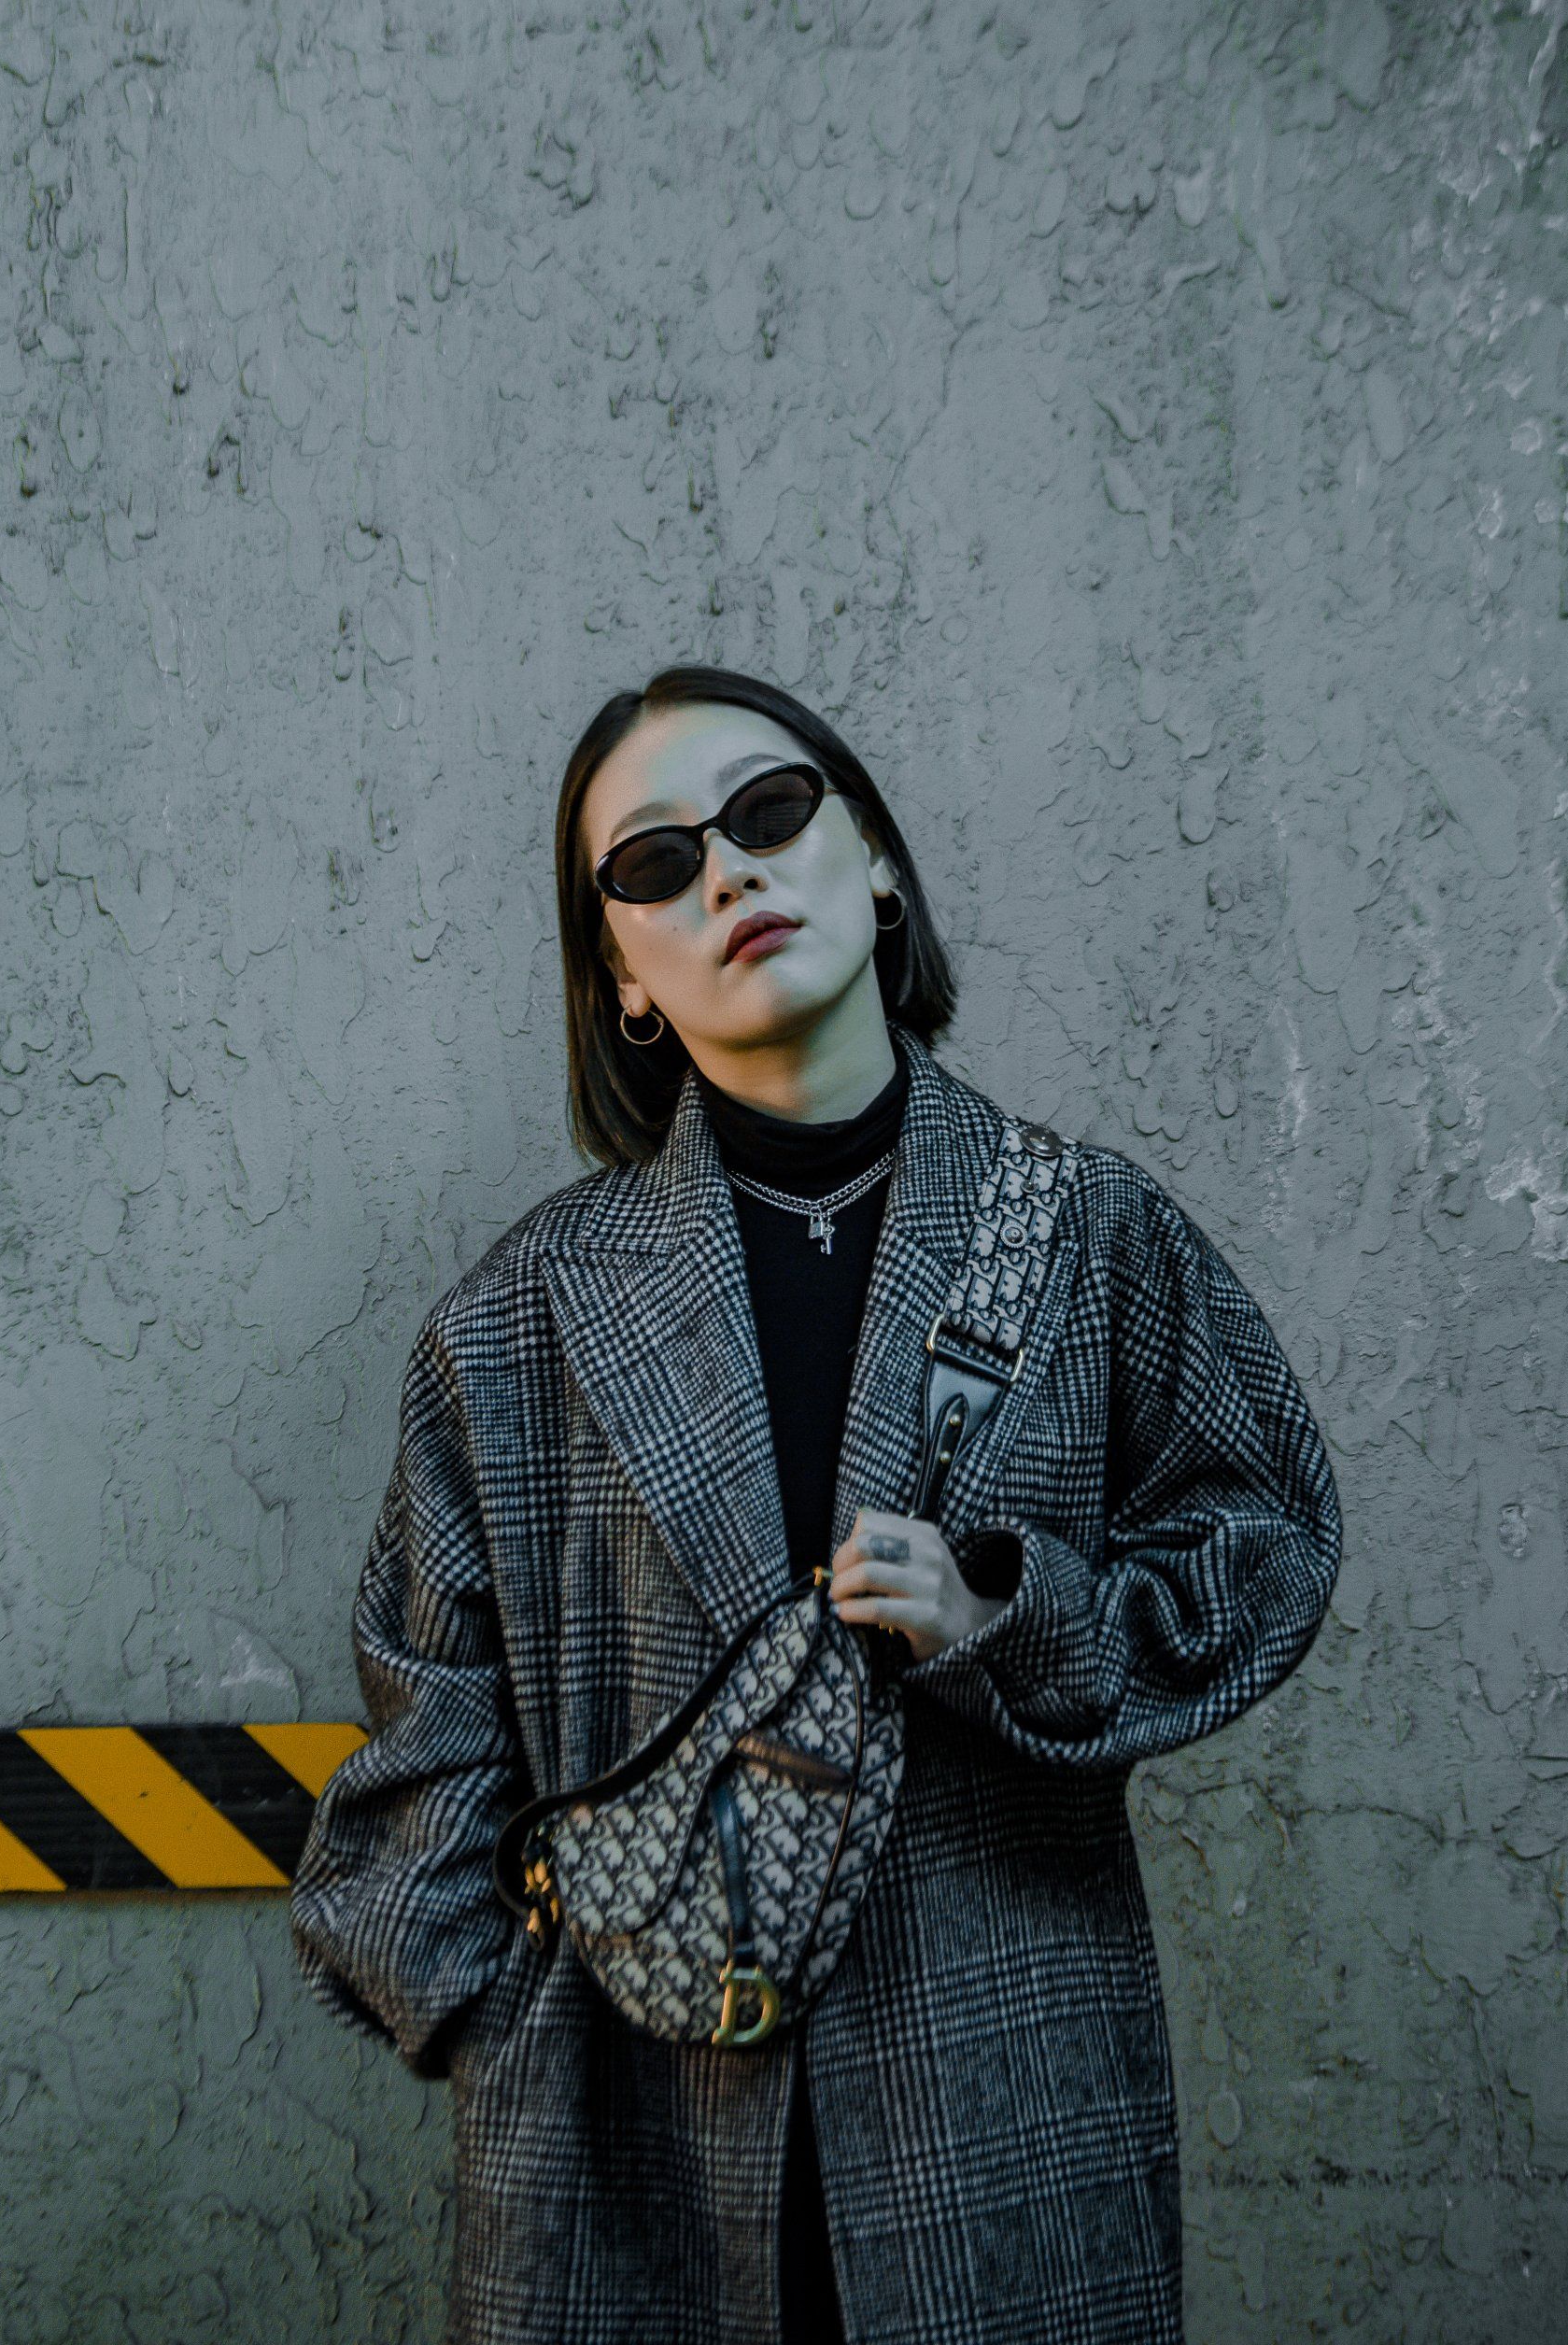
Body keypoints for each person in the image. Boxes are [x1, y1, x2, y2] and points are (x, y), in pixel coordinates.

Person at [290, 662, 1341, 2345]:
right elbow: (426, 1729)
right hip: (627, 2136)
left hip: (1000, 2098)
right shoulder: (519, 1320)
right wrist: (511, 2017)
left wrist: (1010, 1613)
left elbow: (1261, 1549)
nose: (726, 873)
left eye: (770, 813)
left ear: (875, 866)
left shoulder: (1080, 1231)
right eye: (652, 865)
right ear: (625, 977)